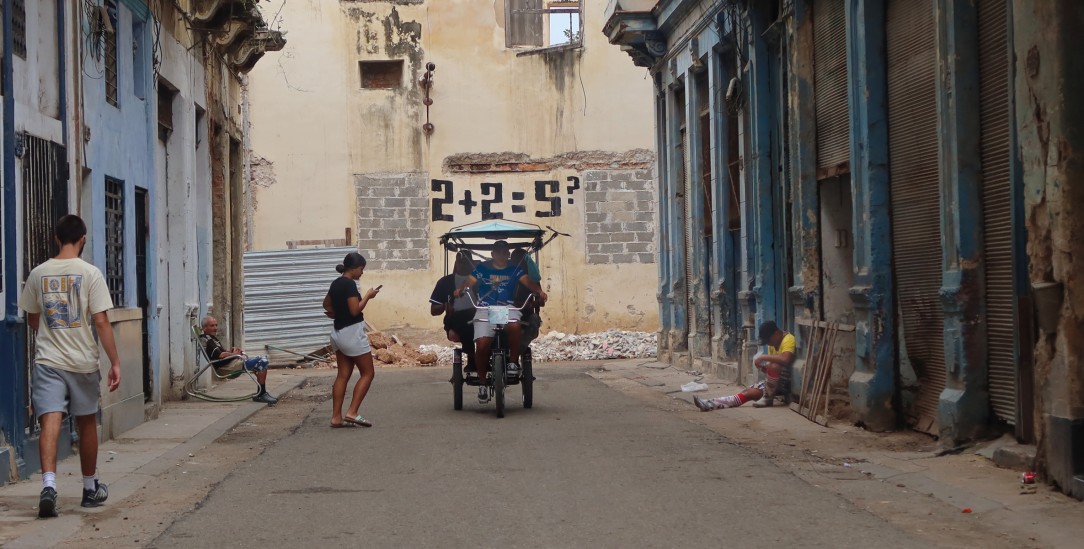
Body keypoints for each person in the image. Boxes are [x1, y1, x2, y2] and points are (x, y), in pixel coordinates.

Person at [18, 215, 121, 518]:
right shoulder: (90, 273)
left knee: (50, 418)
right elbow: (101, 321)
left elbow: (33, 319)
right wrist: (114, 361)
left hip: (48, 360)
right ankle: (89, 488)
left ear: (55, 238)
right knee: (86, 420)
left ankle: (49, 484)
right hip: (82, 362)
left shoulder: (38, 274)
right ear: (83, 239)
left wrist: (53, 334)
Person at [454, 240, 546, 403]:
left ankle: (512, 363)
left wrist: (539, 291)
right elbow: (468, 281)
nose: (501, 255)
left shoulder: (515, 269)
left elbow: (529, 283)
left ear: (508, 255)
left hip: (506, 308)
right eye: (498, 252)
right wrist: (460, 289)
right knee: (482, 344)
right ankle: (482, 384)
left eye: (505, 253)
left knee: (515, 325)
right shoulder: (482, 269)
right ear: (493, 254)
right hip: (484, 308)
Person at [322, 251, 380, 428]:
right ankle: (352, 412)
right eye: (361, 269)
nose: (362, 273)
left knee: (343, 374)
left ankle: (336, 417)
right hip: (352, 333)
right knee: (368, 373)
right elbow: (355, 310)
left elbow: (326, 305)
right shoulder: (349, 285)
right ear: (354, 268)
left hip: (338, 333)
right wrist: (369, 296)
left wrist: (336, 313)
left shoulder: (336, 283)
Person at [693, 321, 795, 411]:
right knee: (747, 392)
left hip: (785, 382)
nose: (768, 343)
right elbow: (773, 368)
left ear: (776, 334)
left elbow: (785, 359)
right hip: (775, 383)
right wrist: (765, 368)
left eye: (769, 340)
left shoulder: (788, 339)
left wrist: (764, 357)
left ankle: (768, 398)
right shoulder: (774, 344)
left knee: (770, 368)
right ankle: (710, 403)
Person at [200, 316, 277, 404]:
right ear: (204, 328)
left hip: (231, 364)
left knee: (262, 362)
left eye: (216, 325)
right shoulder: (208, 340)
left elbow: (223, 354)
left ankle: (261, 393)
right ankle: (261, 394)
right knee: (262, 361)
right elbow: (221, 355)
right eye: (212, 326)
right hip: (227, 368)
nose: (215, 328)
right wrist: (235, 354)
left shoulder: (212, 339)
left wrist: (232, 352)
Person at [429, 251, 477, 371]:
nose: (463, 265)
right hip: (456, 318)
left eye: (466, 262)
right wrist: (445, 306)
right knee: (466, 320)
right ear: (456, 262)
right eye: (460, 262)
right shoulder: (445, 282)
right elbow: (433, 310)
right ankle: (473, 358)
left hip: (480, 314)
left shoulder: (479, 281)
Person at [510, 247, 545, 350]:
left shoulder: (533, 280)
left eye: (521, 261)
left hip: (525, 315)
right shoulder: (506, 277)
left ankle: (520, 348)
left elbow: (541, 302)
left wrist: (533, 303)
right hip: (506, 313)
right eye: (516, 261)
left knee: (534, 319)